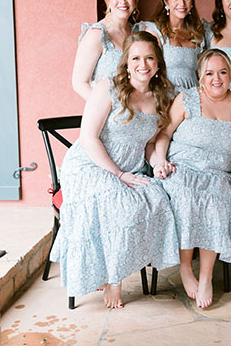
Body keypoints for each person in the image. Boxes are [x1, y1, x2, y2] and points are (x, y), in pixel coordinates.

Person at [50, 31, 179, 309]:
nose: (142, 64)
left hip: (130, 167)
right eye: (135, 58)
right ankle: (113, 278)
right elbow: (88, 138)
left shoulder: (161, 97)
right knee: (118, 202)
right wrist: (118, 175)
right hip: (90, 164)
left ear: (158, 64)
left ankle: (122, 267)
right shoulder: (107, 87)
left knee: (158, 198)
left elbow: (150, 143)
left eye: (149, 58)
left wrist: (158, 163)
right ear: (126, 61)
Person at [153, 49, 231, 310]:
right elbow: (164, 134)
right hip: (182, 167)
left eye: (222, 72)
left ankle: (207, 276)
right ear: (200, 77)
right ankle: (186, 267)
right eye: (209, 73)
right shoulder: (187, 99)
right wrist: (160, 160)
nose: (216, 78)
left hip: (219, 172)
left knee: (218, 200)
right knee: (185, 197)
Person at [72, 0, 140, 100]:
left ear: (135, 0)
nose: (123, 1)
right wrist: (103, 108)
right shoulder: (97, 34)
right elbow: (79, 83)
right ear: (107, 0)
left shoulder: (137, 33)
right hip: (107, 114)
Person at [142, 0, 205, 92]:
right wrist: (178, 97)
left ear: (192, 2)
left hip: (194, 96)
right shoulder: (155, 31)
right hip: (165, 95)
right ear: (166, 1)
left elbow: (200, 74)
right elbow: (151, 71)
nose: (182, 3)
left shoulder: (197, 35)